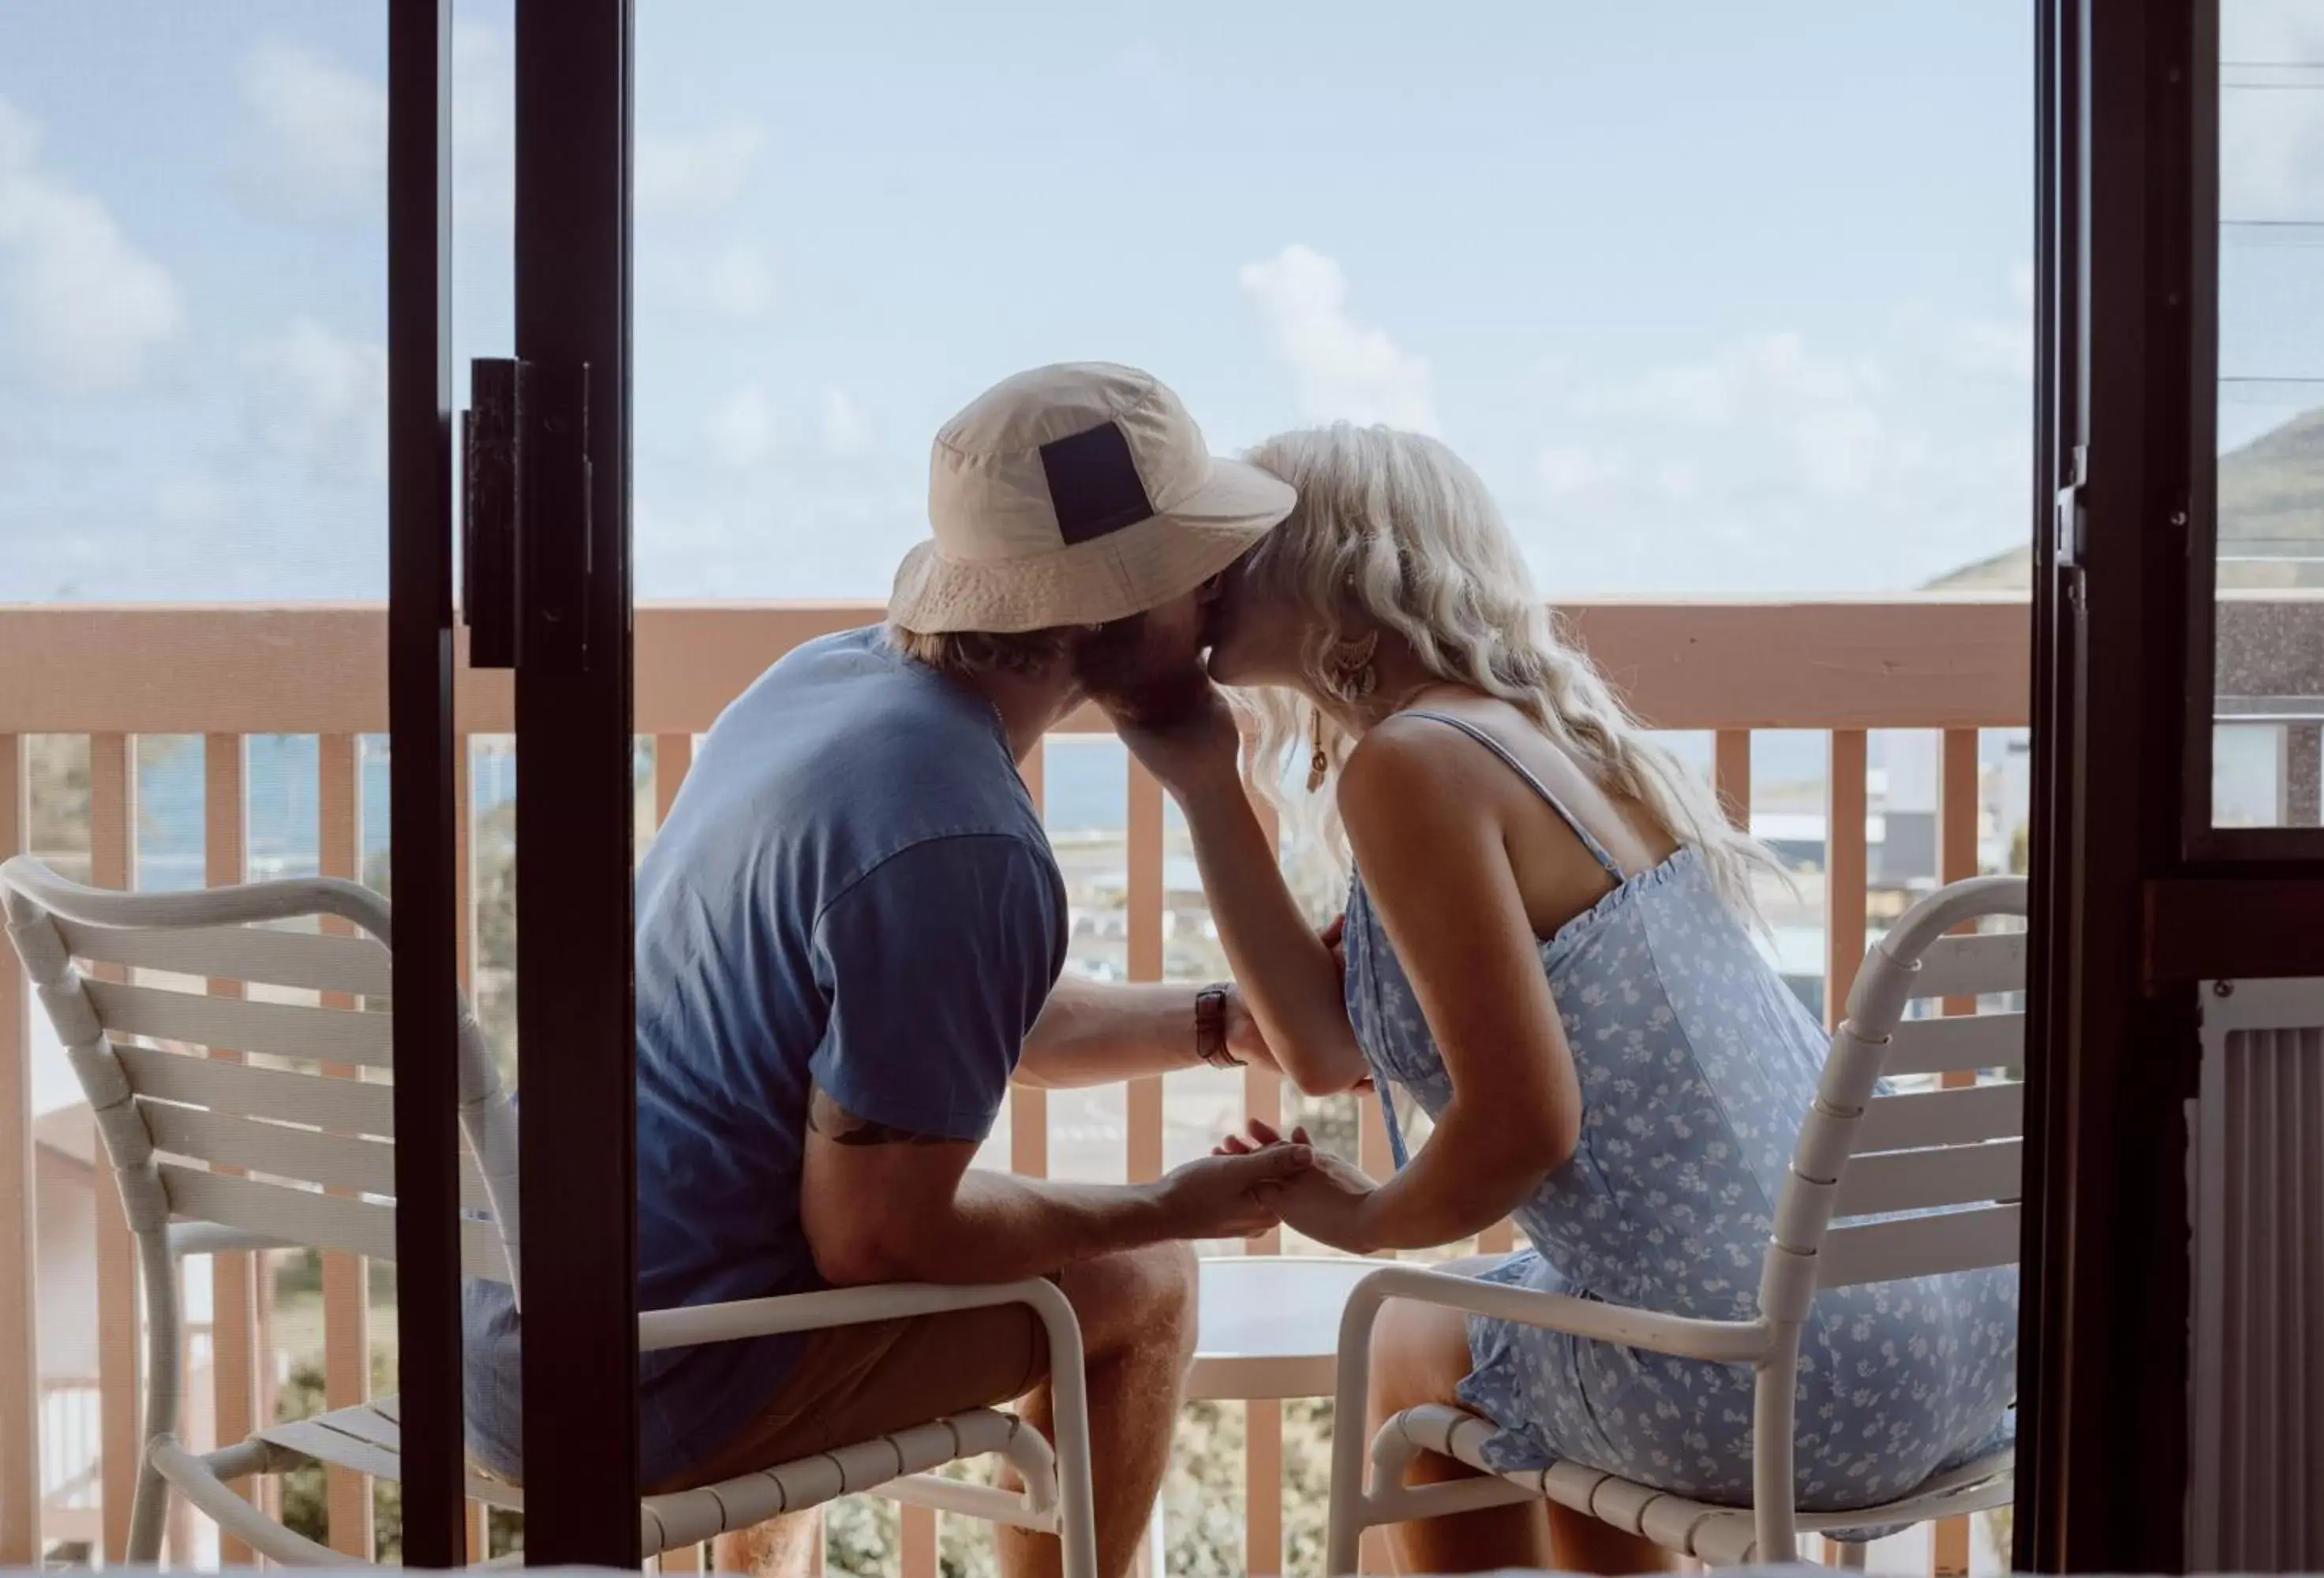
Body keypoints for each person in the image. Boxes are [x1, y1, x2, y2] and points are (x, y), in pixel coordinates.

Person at [1117, 423, 2019, 1574]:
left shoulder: (1415, 765)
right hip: (1938, 1339)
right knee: (1548, 1321)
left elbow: (1524, 1125)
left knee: (1405, 1332)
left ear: (1329, 561)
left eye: (1232, 547)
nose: (1202, 577)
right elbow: (1319, 1047)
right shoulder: (1547, 743)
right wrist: (1205, 782)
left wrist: (1360, 1218)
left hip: (1779, 1376)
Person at [462, 363, 1316, 1578]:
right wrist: (1169, 1207)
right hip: (644, 1388)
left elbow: (928, 1029)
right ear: (1114, 606)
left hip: (514, 1334)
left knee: (833, 1227)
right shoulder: (961, 835)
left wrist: (1220, 1024)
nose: (1223, 601)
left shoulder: (820, 685)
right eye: (1200, 569)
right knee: (1147, 1285)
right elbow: (875, 1240)